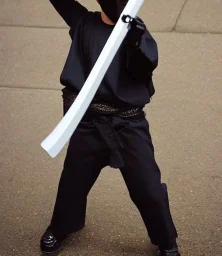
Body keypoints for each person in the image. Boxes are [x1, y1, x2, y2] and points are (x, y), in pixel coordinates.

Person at [40, 1, 180, 255]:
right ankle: (60, 226)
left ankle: (166, 240)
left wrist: (135, 42)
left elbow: (143, 68)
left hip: (127, 124)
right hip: (88, 122)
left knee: (148, 187)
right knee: (73, 181)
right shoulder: (84, 22)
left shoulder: (136, 30)